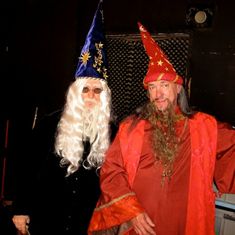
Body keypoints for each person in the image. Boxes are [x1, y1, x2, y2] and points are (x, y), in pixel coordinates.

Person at [88, 22, 235, 235]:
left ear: (177, 88)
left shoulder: (204, 126)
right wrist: (132, 212)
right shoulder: (131, 128)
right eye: (152, 88)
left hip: (184, 224)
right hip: (139, 225)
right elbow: (112, 171)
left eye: (164, 85)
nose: (158, 93)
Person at [12, 1, 116, 234]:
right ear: (75, 93)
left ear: (104, 97)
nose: (90, 96)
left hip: (87, 224)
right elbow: (26, 167)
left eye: (97, 91)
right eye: (85, 90)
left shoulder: (112, 131)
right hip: (47, 219)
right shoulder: (51, 124)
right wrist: (20, 209)